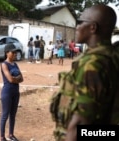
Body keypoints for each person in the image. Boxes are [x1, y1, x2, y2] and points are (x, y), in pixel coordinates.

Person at [50, 4, 119, 141]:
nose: (77, 27)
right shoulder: (112, 57)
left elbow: (80, 124)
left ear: (93, 27)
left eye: (80, 22)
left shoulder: (92, 64)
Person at [0, 43, 23, 141]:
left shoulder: (15, 64)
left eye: (15, 52)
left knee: (13, 115)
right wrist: (16, 78)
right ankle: (2, 137)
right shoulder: (4, 64)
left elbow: (22, 78)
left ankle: (11, 134)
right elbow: (10, 79)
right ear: (6, 53)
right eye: (12, 52)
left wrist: (16, 78)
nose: (15, 54)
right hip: (7, 92)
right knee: (5, 114)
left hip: (15, 92)